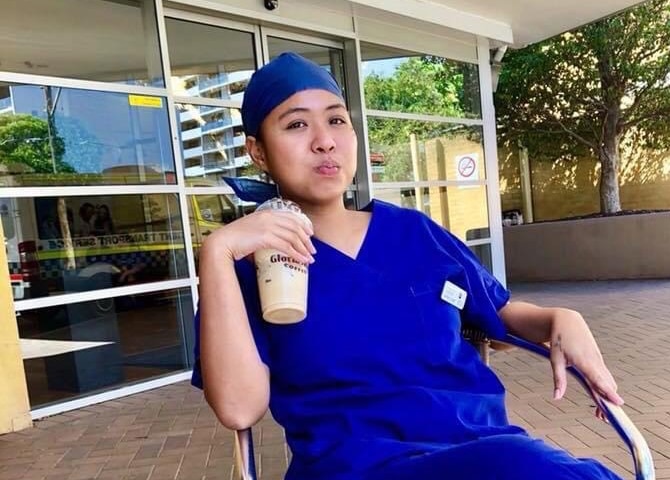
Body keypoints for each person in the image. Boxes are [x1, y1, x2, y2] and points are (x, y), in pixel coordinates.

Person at [192, 52, 625, 480]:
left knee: (522, 463)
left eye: (337, 120)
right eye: (296, 124)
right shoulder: (251, 269)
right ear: (258, 152)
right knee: (526, 465)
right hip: (358, 467)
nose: (324, 140)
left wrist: (560, 319)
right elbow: (238, 409)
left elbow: (503, 318)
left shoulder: (416, 235)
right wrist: (216, 254)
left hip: (478, 449)